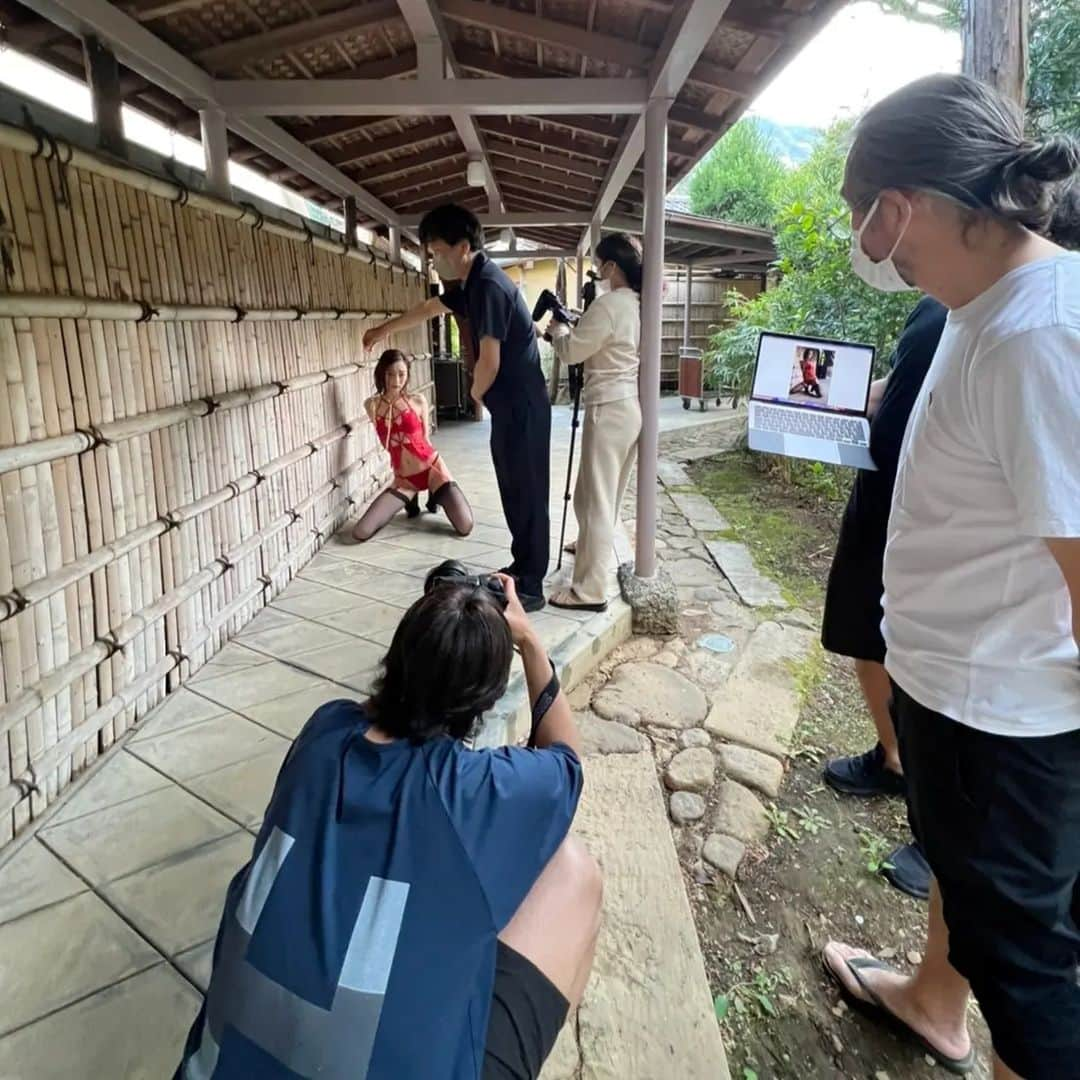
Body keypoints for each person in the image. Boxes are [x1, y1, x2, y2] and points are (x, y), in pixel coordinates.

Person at [818, 74, 1080, 1080]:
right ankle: (932, 1002)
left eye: (861, 220)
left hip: (1000, 726)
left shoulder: (1037, 337)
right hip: (970, 704)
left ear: (900, 207)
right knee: (985, 917)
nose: (867, 247)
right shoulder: (995, 305)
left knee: (1027, 981)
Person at [175, 569, 601, 1080]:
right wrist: (528, 640)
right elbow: (566, 762)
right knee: (574, 873)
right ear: (484, 703)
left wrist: (432, 640)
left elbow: (375, 716)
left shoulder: (322, 732)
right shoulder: (477, 792)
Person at [364, 205, 552, 612]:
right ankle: (523, 569)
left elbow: (490, 359)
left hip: (522, 407)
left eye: (436, 253)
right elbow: (433, 307)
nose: (433, 262)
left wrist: (476, 393)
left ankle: (532, 585)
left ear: (463, 247)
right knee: (514, 489)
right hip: (512, 408)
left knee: (528, 490)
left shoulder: (488, 286)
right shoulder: (472, 281)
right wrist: (385, 329)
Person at [821, 296, 947, 901]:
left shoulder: (1011, 311)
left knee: (933, 673)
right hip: (879, 510)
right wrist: (816, 402)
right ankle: (895, 758)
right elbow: (897, 384)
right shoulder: (933, 307)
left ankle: (942, 835)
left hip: (941, 530)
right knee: (863, 641)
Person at [545, 233, 642, 612]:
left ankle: (589, 591)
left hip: (607, 409)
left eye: (600, 264)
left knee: (597, 500)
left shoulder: (609, 305)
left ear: (611, 267)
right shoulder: (635, 303)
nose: (597, 271)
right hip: (626, 408)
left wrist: (559, 331)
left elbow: (571, 352)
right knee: (596, 494)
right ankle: (587, 546)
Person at [352, 349, 474, 541]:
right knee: (361, 532)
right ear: (381, 373)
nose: (396, 380)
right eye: (390, 374)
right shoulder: (372, 406)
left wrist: (441, 478)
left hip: (432, 468)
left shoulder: (417, 401)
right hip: (405, 479)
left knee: (465, 525)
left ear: (408, 375)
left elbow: (425, 438)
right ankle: (413, 496)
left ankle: (435, 493)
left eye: (401, 374)